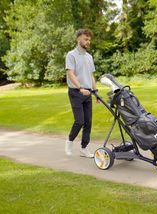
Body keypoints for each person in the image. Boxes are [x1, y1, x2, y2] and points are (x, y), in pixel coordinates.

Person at [65, 29, 99, 158]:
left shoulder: (89, 57)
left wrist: (95, 91)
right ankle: (69, 141)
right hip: (76, 92)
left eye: (89, 39)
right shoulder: (71, 55)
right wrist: (80, 88)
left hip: (88, 92)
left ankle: (84, 148)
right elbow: (70, 73)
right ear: (78, 39)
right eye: (86, 39)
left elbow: (91, 75)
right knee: (79, 121)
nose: (88, 41)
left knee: (88, 122)